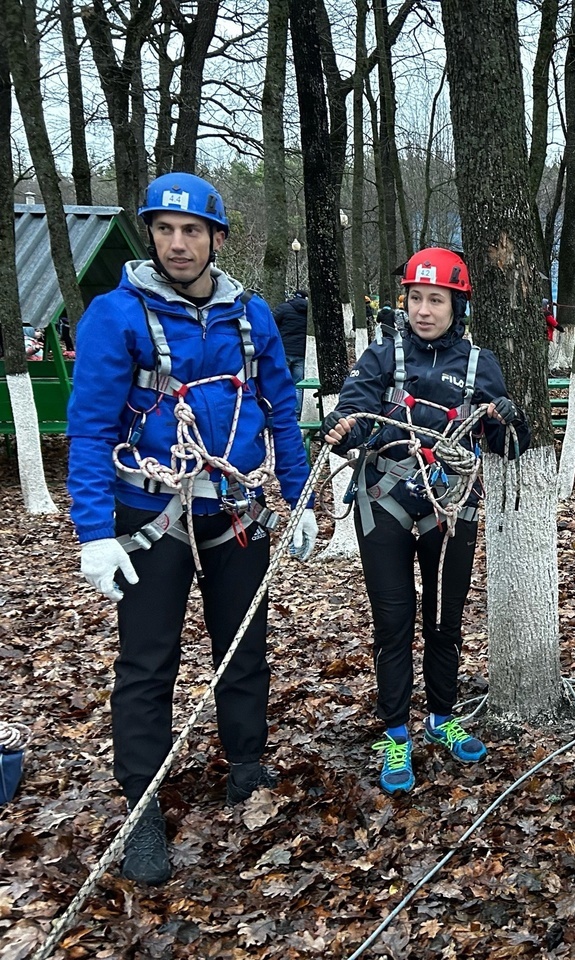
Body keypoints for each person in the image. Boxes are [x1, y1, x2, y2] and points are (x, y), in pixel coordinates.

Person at [67, 172, 318, 886]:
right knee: (147, 664)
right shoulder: (116, 317)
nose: (179, 244)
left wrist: (298, 501)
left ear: (216, 239)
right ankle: (142, 805)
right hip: (150, 511)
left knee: (245, 648)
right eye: (166, 230)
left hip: (235, 508)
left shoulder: (252, 316)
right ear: (152, 234)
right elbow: (89, 432)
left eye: (193, 231)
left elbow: (280, 411)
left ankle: (246, 765)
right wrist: (93, 532)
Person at [320, 248, 530, 792]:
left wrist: (508, 416)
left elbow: (509, 445)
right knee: (393, 621)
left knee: (444, 618)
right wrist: (345, 426)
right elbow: (356, 412)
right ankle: (395, 734)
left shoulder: (480, 365)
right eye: (416, 298)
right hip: (386, 499)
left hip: (450, 503)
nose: (424, 309)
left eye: (436, 299)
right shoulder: (381, 357)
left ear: (456, 305)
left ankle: (441, 716)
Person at [272, 289, 309, 414]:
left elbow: (271, 324)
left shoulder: (283, 308)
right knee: (298, 384)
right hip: (301, 352)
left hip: (284, 350)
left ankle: (281, 410)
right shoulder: (309, 312)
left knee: (282, 382)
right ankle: (296, 412)